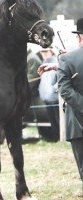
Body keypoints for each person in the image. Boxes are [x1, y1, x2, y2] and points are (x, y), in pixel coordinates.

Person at [57, 18, 83, 191]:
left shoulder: (67, 59)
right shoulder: (67, 59)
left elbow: (65, 90)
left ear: (79, 37)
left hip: (77, 122)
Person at [38, 47, 60, 141]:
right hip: (46, 98)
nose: (44, 53)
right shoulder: (42, 64)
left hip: (55, 98)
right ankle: (56, 138)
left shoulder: (57, 63)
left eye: (46, 51)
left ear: (51, 51)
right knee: (52, 120)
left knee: (59, 119)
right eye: (42, 52)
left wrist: (54, 89)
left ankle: (61, 138)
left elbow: (61, 79)